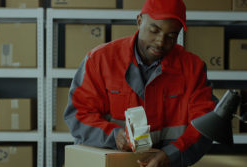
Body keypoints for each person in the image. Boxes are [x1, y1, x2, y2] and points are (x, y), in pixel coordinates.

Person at [64, 0, 217, 166]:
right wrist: (114, 136)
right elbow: (78, 115)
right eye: (154, 30)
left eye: (171, 36)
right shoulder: (99, 60)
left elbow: (204, 125)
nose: (160, 41)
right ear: (139, 21)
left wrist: (171, 154)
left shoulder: (193, 69)